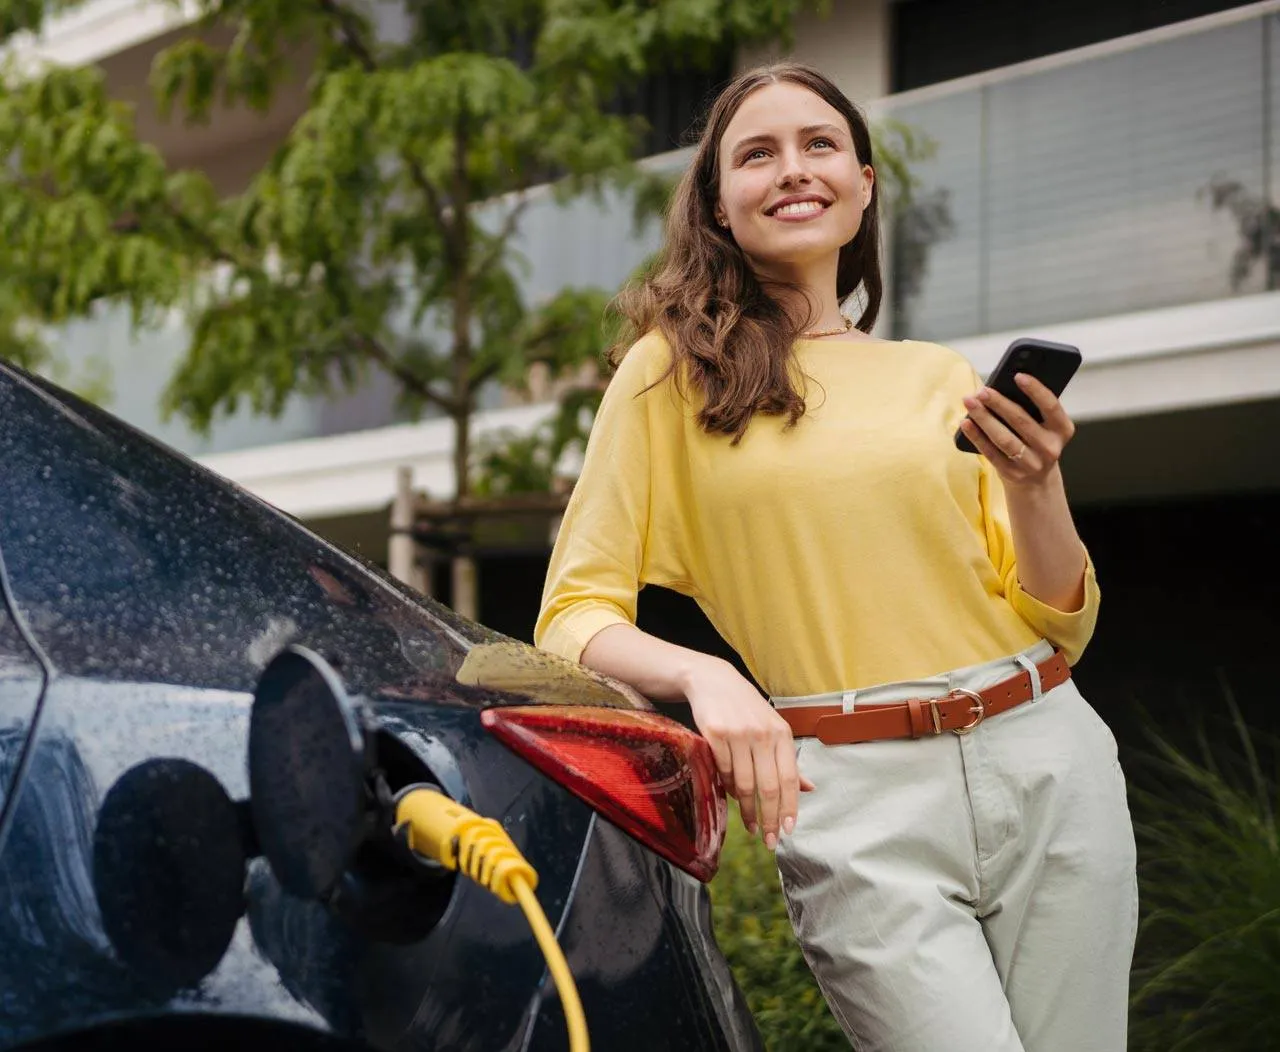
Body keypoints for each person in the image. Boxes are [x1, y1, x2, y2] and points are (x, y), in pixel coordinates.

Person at [534, 62, 1136, 1052]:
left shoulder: (935, 375)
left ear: (859, 185)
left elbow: (1060, 615)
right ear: (719, 206)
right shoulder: (668, 374)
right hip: (855, 803)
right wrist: (706, 676)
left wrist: (1035, 483)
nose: (791, 169)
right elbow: (571, 614)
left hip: (1046, 756)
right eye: (755, 153)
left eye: (817, 145)